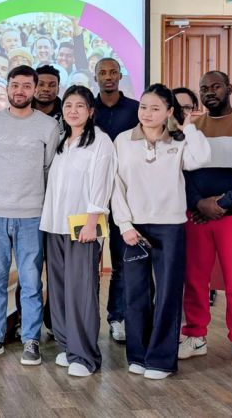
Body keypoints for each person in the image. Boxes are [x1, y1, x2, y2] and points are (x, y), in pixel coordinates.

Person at [111, 83, 211, 380]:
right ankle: (138, 355)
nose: (147, 113)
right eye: (143, 107)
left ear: (169, 111)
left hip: (170, 226)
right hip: (134, 227)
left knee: (168, 294)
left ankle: (161, 360)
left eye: (155, 108)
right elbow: (115, 185)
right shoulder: (123, 140)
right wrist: (125, 225)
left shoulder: (179, 141)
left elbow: (201, 159)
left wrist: (189, 127)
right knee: (136, 293)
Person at [0, 66, 58, 366]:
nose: (20, 91)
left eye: (26, 86)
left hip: (32, 216)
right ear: (7, 88)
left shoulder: (48, 126)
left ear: (34, 89)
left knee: (31, 282)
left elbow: (49, 168)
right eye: (15, 85)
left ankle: (31, 339)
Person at [178, 72, 232, 370]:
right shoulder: (193, 127)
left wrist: (222, 203)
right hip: (197, 216)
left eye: (216, 86)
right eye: (204, 89)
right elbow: (183, 173)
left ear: (229, 88)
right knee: (194, 279)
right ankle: (195, 335)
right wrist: (199, 203)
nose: (209, 92)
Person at [41, 85, 116, 377]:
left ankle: (85, 356)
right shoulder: (62, 141)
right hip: (55, 224)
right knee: (58, 287)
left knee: (81, 289)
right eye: (69, 105)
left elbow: (102, 183)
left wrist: (91, 221)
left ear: (91, 111)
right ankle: (67, 344)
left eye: (80, 106)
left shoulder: (100, 141)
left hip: (82, 226)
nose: (73, 111)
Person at [92, 57, 139, 344]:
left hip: (125, 194)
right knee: (88, 262)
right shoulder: (88, 108)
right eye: (102, 73)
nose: (108, 76)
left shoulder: (136, 109)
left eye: (113, 72)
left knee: (123, 261)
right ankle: (86, 320)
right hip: (92, 196)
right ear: (95, 77)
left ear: (120, 76)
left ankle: (117, 317)